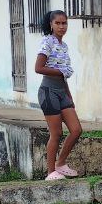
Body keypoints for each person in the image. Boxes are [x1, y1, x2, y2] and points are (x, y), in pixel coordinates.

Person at [34, 10, 83, 180]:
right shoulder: (47, 42)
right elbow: (38, 68)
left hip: (62, 92)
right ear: (51, 25)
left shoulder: (64, 46)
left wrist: (69, 96)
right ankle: (50, 173)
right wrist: (61, 71)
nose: (62, 26)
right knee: (56, 134)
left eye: (64, 23)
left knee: (76, 130)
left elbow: (63, 76)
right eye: (58, 23)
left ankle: (60, 163)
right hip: (48, 91)